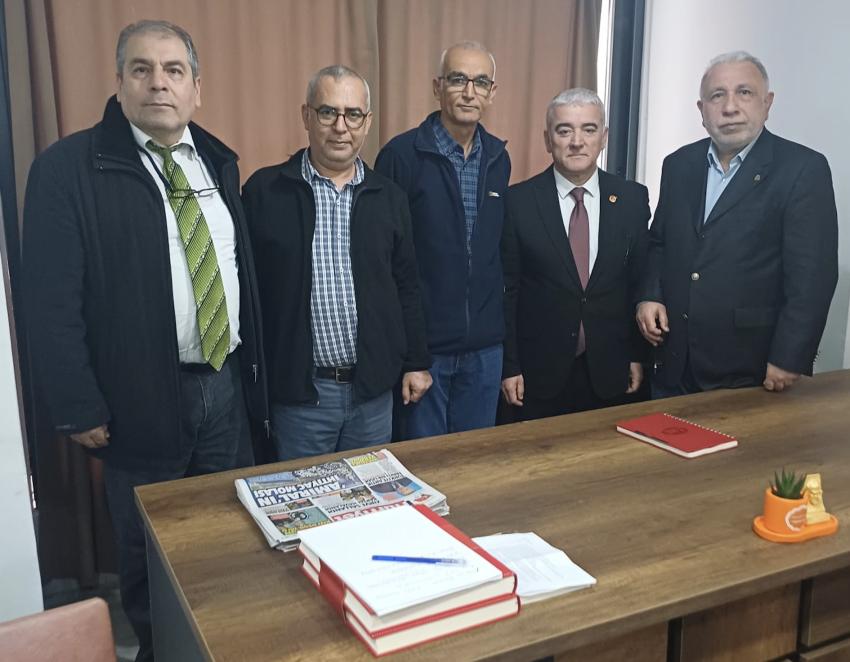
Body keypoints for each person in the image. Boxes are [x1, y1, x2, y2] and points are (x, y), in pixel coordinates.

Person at [23, 20, 267, 661]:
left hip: (224, 388)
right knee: (148, 555)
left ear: (196, 88)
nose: (159, 83)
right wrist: (77, 404)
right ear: (120, 82)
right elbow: (50, 302)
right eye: (142, 69)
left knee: (226, 540)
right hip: (139, 399)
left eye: (173, 70)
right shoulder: (68, 169)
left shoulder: (218, 161)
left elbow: (236, 272)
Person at [242, 65, 432, 460]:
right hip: (301, 397)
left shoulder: (389, 197)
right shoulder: (265, 193)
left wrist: (416, 362)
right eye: (328, 112)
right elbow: (247, 293)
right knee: (307, 495)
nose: (340, 127)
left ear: (367, 122)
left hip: (372, 394)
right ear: (307, 116)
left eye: (353, 114)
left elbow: (407, 286)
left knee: (368, 494)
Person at [636, 51, 838, 397]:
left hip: (752, 367)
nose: (730, 107)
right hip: (673, 361)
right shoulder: (679, 164)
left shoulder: (803, 169)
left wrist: (790, 356)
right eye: (717, 95)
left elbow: (813, 277)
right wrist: (649, 295)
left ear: (767, 103)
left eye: (744, 92)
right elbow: (660, 243)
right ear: (702, 110)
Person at [375, 41, 511, 438]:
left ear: (492, 92)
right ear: (438, 87)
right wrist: (410, 356)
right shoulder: (401, 155)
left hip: (485, 351)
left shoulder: (498, 158)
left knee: (475, 463)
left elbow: (499, 256)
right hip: (424, 353)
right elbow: (386, 264)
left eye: (480, 82)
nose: (469, 92)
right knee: (422, 464)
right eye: (457, 80)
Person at [501, 89, 650, 420]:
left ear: (604, 137)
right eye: (564, 130)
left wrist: (637, 355)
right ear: (547, 139)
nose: (577, 142)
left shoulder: (632, 199)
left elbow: (639, 284)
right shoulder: (518, 203)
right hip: (538, 374)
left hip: (613, 369)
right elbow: (508, 291)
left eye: (589, 129)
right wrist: (509, 366)